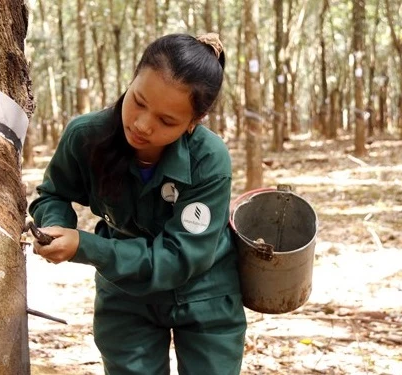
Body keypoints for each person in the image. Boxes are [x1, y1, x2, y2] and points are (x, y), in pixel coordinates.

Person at [29, 32, 246, 375]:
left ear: (194, 122)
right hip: (125, 293)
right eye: (139, 101)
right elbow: (54, 193)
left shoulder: (208, 160)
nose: (142, 125)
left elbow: (178, 257)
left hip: (204, 291)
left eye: (167, 121)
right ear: (131, 80)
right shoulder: (86, 137)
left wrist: (85, 247)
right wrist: (56, 226)